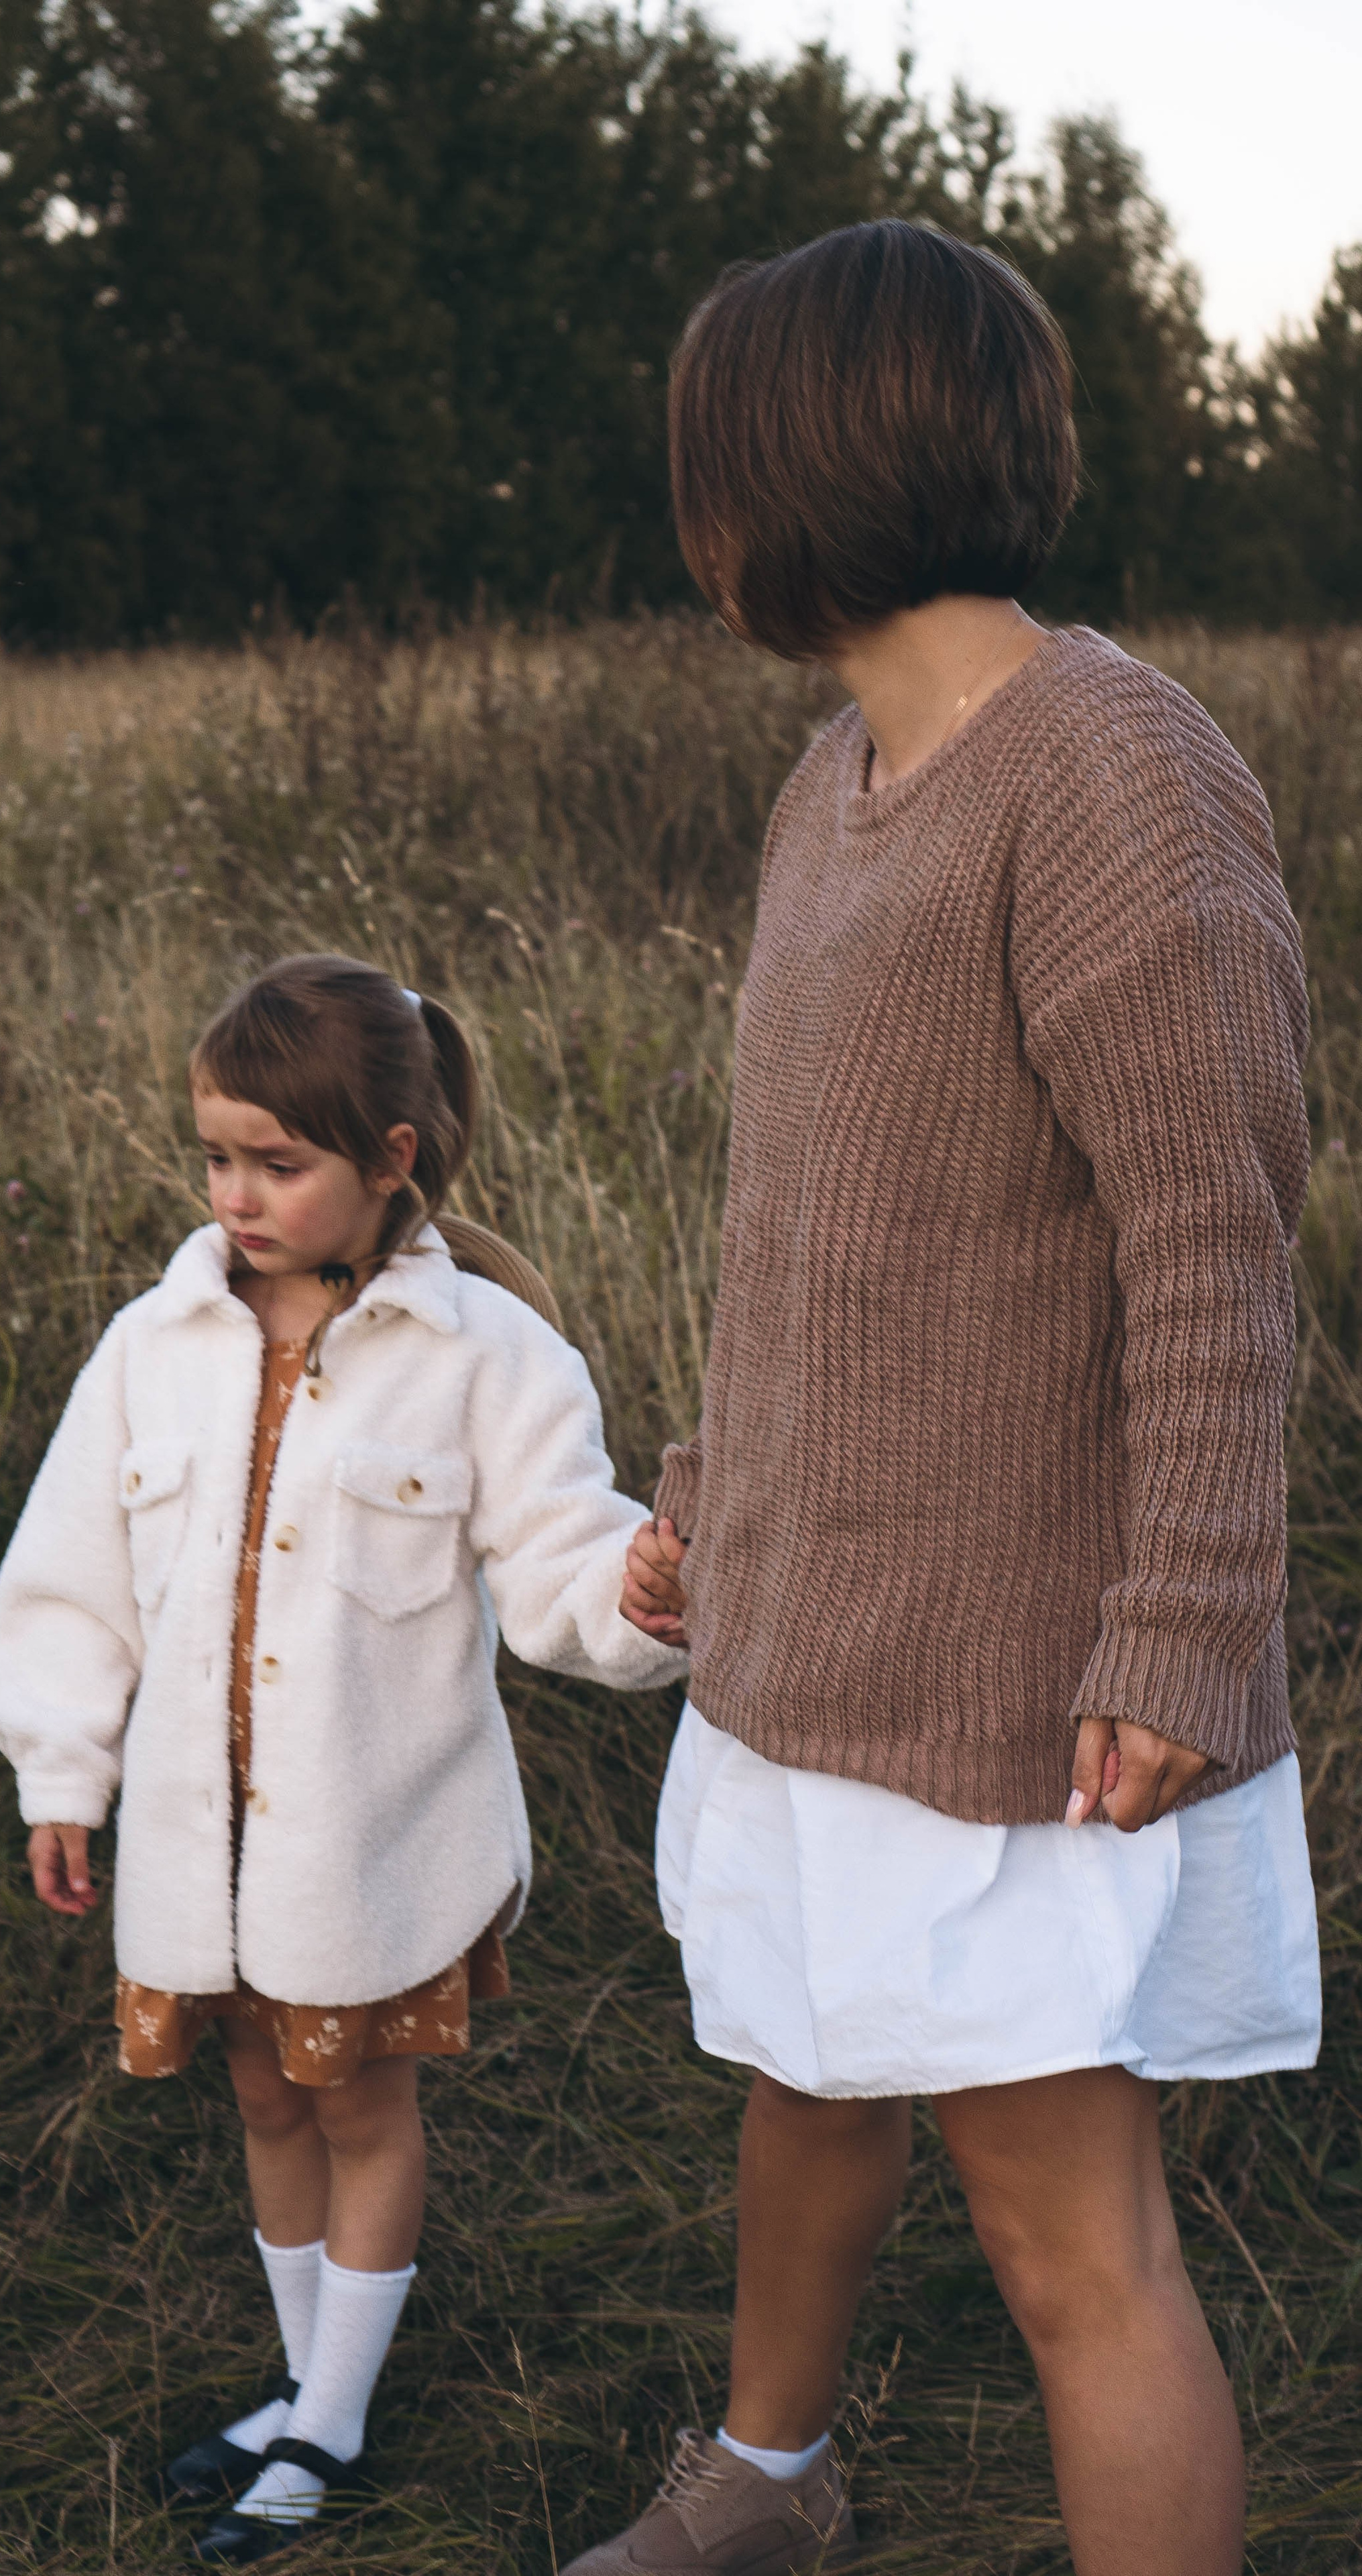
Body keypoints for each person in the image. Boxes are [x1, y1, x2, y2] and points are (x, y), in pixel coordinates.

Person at [576, 221, 1320, 2576]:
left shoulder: (1113, 775)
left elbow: (1217, 1241)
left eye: (709, 468)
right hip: (821, 1635)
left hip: (1020, 1684)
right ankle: (766, 2486)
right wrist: (716, 1499)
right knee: (806, 2083)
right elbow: (816, 1223)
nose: (695, 522)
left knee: (1064, 2237)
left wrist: (1183, 1624)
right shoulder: (834, 782)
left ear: (791, 477)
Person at [0, 954, 684, 2565]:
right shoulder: (153, 1346)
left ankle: (329, 2425)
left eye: (277, 1163)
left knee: (356, 2102)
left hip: (371, 1842)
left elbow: (561, 1568)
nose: (235, 1195)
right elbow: (70, 1577)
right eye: (215, 1157)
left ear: (390, 1157)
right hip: (198, 1845)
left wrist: (645, 1592)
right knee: (259, 2091)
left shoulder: (488, 1355)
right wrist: (60, 1772)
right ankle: (304, 2386)